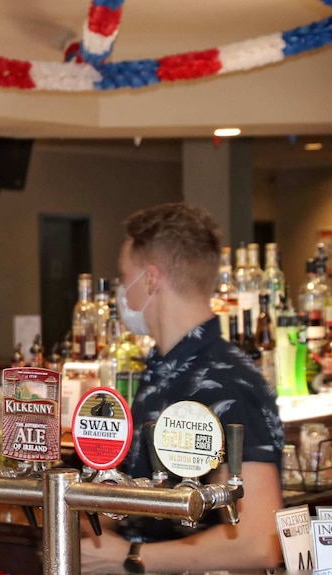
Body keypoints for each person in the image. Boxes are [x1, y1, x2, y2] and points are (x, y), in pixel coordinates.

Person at [81, 203, 285, 574]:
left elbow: (261, 540)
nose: (120, 294)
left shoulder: (227, 382)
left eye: (123, 277)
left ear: (150, 280)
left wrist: (129, 557)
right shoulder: (163, 371)